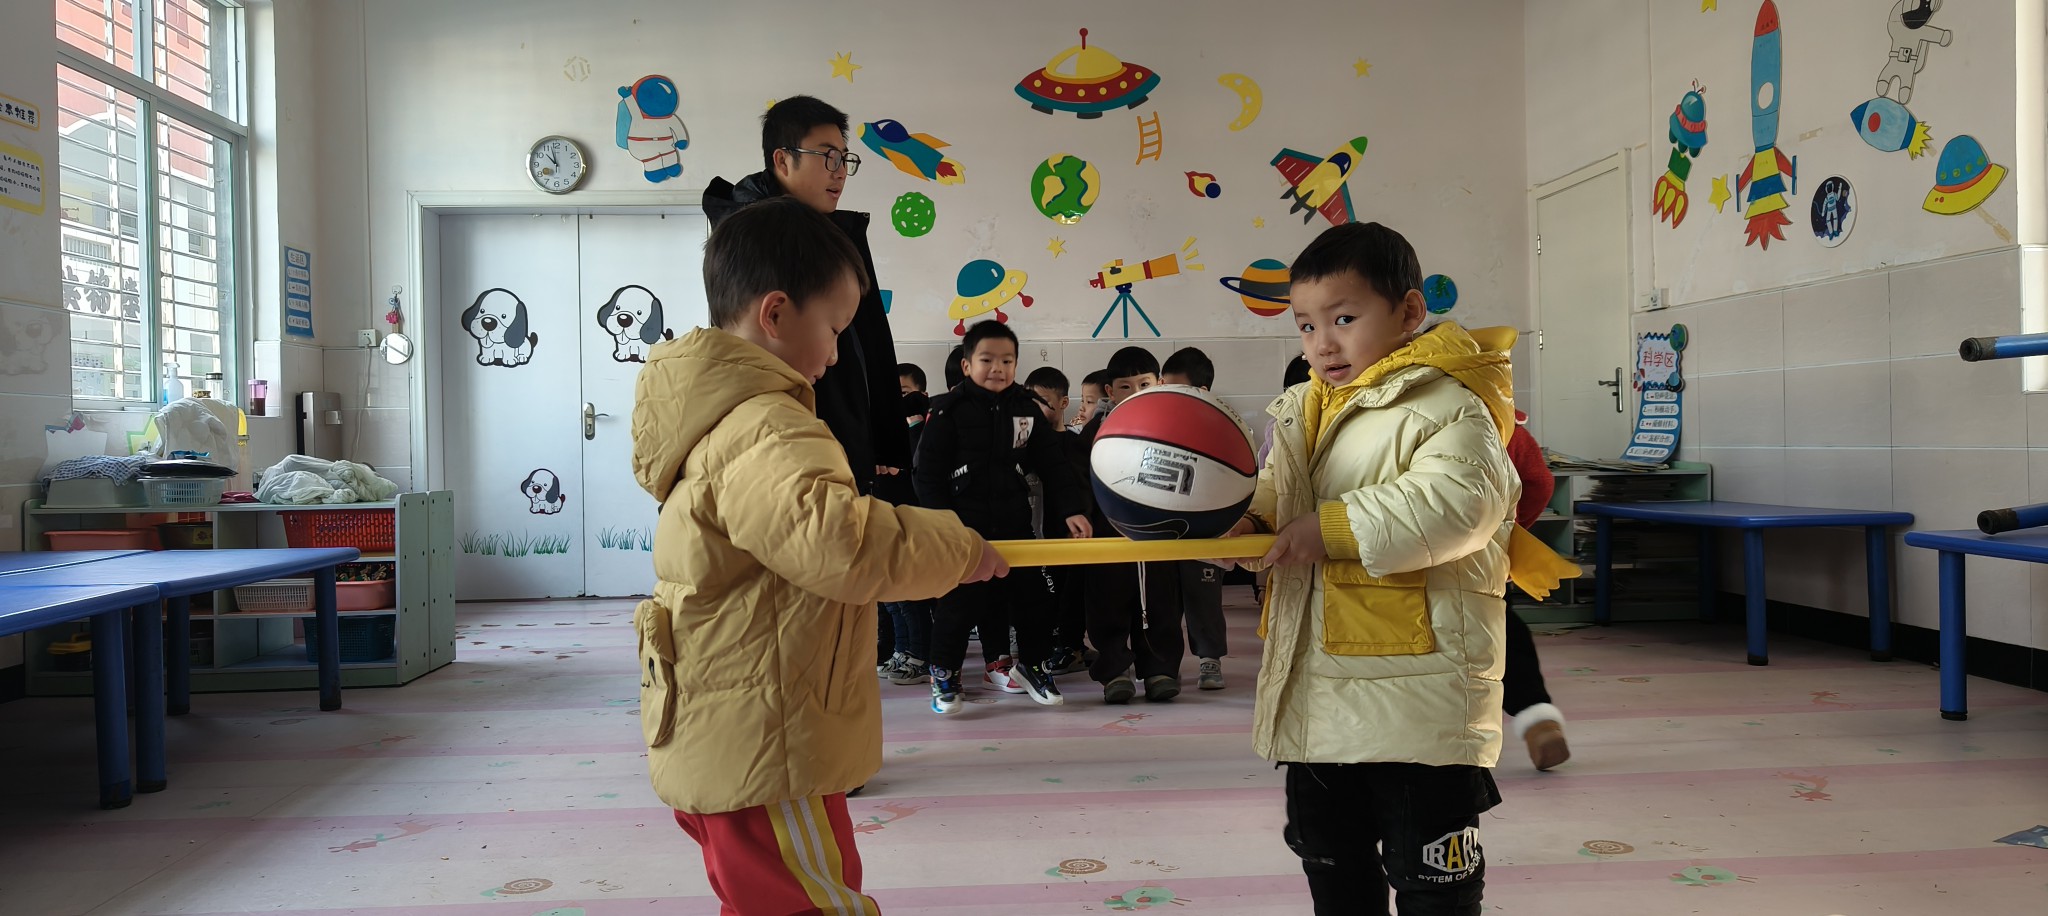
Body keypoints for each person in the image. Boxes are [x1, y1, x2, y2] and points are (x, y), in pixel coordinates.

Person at [632, 197, 1006, 914]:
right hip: (768, 739)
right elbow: (841, 543)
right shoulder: (767, 426)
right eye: (834, 329)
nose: (836, 354)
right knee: (813, 904)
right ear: (775, 314)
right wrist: (960, 548)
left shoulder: (719, 418)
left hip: (734, 723)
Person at [1226, 221, 1527, 914]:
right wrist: (1247, 525)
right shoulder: (1303, 408)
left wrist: (1332, 529)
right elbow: (1277, 494)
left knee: (1433, 882)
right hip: (1318, 698)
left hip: (1420, 705)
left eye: (1343, 319)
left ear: (1409, 311)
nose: (1322, 343)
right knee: (1332, 866)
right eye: (1306, 326)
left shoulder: (1448, 402)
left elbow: (1460, 502)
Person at [704, 95, 906, 497]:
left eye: (845, 159)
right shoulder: (756, 239)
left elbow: (867, 341)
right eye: (828, 157)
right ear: (782, 160)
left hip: (838, 442)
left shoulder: (832, 230)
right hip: (792, 446)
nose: (840, 172)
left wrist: (880, 439)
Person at [915, 321, 1092, 714]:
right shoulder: (947, 411)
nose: (998, 368)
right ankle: (944, 675)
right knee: (958, 606)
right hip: (963, 530)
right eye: (987, 360)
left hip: (1015, 525)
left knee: (1036, 601)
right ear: (967, 365)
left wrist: (1072, 510)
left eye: (1007, 360)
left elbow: (1054, 464)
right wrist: (943, 526)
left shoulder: (1025, 408)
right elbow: (927, 476)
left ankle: (1034, 666)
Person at [1080, 346, 1187, 704]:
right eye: (1125, 387)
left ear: (1159, 383)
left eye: (1144, 384)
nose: (1136, 392)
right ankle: (1114, 672)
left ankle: (1160, 670)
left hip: (1158, 531)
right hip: (1107, 534)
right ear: (1110, 392)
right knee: (1107, 604)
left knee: (1162, 602)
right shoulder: (1095, 432)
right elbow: (1081, 481)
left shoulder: (1174, 427)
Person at [1503, 407, 1570, 770]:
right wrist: (1512, 532)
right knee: (1500, 630)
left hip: (1397, 556)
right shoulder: (1502, 419)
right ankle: (1538, 720)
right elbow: (1539, 481)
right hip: (1485, 553)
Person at [1161, 346, 1230, 691]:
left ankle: (1210, 658)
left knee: (1203, 596)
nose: (1168, 395)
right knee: (1164, 600)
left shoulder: (1221, 428)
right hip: (1163, 528)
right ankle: (1164, 664)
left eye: (1177, 388)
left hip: (1204, 528)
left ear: (1201, 391)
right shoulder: (1157, 423)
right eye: (1164, 386)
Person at [1025, 365, 1093, 675]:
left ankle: (1072, 646)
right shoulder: (1023, 445)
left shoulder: (1075, 446)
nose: (1034, 408)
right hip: (1035, 535)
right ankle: (1052, 644)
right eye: (1029, 401)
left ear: (1063, 403)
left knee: (1070, 593)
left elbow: (1081, 491)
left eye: (1042, 401)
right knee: (1041, 596)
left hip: (1068, 536)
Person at [876, 388, 939, 686]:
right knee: (892, 598)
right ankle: (903, 649)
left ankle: (920, 655)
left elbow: (917, 475)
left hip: (910, 526)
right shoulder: (883, 432)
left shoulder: (918, 434)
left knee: (911, 597)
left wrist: (913, 426)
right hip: (885, 524)